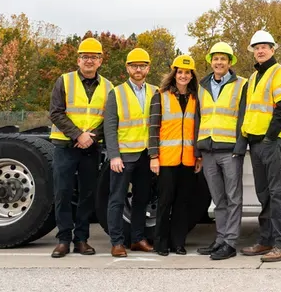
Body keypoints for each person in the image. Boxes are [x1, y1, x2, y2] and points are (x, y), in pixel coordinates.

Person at [47, 37, 114, 258]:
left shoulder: (108, 86)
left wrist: (90, 139)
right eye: (85, 57)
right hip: (65, 146)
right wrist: (78, 134)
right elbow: (56, 112)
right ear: (78, 59)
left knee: (87, 195)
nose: (89, 61)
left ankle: (82, 240)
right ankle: (64, 240)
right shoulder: (63, 81)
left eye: (94, 57)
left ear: (100, 61)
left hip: (91, 148)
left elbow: (111, 119)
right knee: (63, 192)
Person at [239, 30, 281, 262]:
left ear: (273, 49)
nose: (260, 50)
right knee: (264, 194)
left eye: (265, 46)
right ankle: (266, 240)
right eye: (256, 47)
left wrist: (270, 137)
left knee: (277, 193)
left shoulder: (280, 72)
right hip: (256, 141)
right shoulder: (253, 77)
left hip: (271, 142)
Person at [194, 42, 249, 260]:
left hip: (230, 150)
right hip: (208, 149)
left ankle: (230, 242)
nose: (219, 62)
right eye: (215, 58)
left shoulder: (241, 84)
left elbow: (244, 116)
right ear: (210, 62)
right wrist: (198, 150)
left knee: (233, 197)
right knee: (218, 199)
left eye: (223, 59)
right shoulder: (202, 85)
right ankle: (220, 239)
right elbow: (199, 117)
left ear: (230, 62)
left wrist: (240, 146)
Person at [103, 47, 158, 257]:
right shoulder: (116, 93)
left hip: (145, 154)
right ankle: (117, 242)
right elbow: (110, 126)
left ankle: (137, 239)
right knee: (116, 199)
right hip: (124, 156)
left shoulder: (155, 91)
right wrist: (114, 155)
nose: (138, 69)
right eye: (134, 65)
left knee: (141, 199)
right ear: (127, 68)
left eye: (142, 66)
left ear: (148, 68)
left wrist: (155, 154)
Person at [147, 54, 201, 256]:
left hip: (187, 160)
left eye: (187, 72)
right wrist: (154, 156)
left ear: (192, 75)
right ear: (174, 74)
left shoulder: (196, 98)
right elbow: (152, 127)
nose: (183, 76)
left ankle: (178, 243)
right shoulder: (160, 95)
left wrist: (198, 156)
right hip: (166, 160)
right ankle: (161, 244)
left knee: (182, 205)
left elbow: (197, 130)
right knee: (164, 203)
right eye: (180, 72)